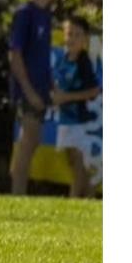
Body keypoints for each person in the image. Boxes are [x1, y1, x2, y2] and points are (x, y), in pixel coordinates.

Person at [8, 0, 67, 195]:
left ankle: (19, 193)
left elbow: (42, 56)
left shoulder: (45, 15)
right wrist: (28, 90)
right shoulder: (25, 14)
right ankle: (17, 194)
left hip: (41, 87)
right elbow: (15, 54)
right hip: (27, 90)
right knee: (28, 142)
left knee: (33, 142)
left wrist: (51, 86)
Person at [51, 14, 102, 198]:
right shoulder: (63, 59)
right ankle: (89, 199)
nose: (72, 39)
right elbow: (58, 83)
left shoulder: (84, 62)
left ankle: (73, 199)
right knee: (73, 161)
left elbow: (94, 91)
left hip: (80, 120)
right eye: (69, 34)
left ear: (86, 39)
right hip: (66, 119)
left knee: (78, 161)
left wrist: (66, 97)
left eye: (78, 35)